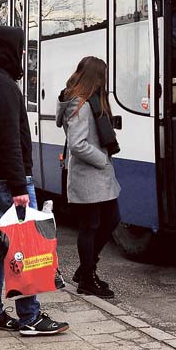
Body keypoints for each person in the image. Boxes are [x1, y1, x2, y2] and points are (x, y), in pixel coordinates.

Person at [0, 25, 69, 336]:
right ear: (7, 49)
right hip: (7, 179)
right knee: (24, 246)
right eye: (18, 47)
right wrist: (19, 187)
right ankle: (29, 316)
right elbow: (8, 140)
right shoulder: (1, 85)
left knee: (0, 245)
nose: (22, 53)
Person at [56, 57, 121, 299]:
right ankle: (87, 278)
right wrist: (102, 159)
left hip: (96, 177)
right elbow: (78, 144)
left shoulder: (87, 103)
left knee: (110, 219)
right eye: (103, 76)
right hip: (89, 175)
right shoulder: (81, 106)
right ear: (96, 78)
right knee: (91, 226)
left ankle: (86, 270)